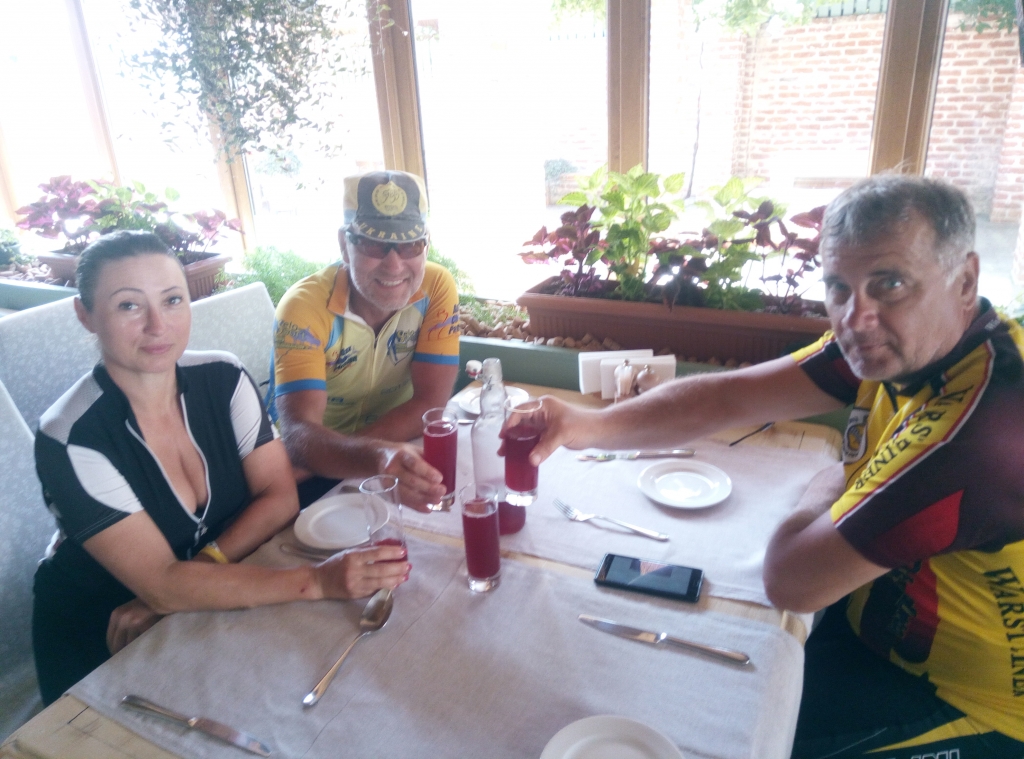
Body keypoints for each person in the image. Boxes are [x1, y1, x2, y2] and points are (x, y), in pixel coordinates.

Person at [524, 176, 1024, 757]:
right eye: (838, 287)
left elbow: (793, 581)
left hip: (970, 701)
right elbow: (726, 399)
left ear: (965, 281)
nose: (855, 317)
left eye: (890, 284)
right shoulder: (910, 343)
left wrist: (833, 480)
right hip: (875, 624)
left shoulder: (983, 433)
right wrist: (586, 425)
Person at [32, 231, 410, 706]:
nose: (157, 325)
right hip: (111, 627)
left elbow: (279, 497)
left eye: (172, 300)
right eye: (129, 305)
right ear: (85, 314)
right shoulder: (70, 435)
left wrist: (196, 574)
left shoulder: (223, 377)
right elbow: (161, 583)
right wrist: (318, 581)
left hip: (208, 595)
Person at [269, 170, 461, 509]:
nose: (394, 264)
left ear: (426, 246)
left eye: (410, 244)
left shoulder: (436, 287)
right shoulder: (303, 307)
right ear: (344, 245)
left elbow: (430, 402)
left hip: (355, 458)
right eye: (373, 244)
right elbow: (299, 433)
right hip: (306, 472)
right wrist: (371, 455)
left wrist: (361, 454)